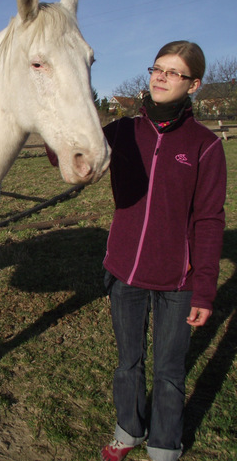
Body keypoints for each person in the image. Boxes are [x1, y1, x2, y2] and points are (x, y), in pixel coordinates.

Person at [98, 41, 226, 461]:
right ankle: (128, 429)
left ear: (194, 85)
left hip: (178, 281)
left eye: (174, 72)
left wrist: (204, 289)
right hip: (125, 273)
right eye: (157, 68)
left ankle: (164, 445)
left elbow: (209, 219)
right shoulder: (122, 131)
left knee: (169, 371)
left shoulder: (205, 144)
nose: (161, 77)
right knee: (127, 363)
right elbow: (68, 152)